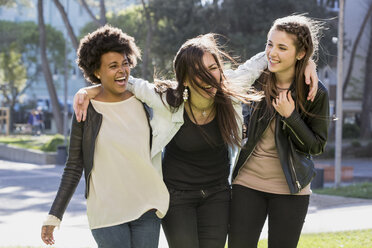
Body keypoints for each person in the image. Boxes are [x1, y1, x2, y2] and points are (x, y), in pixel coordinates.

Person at [73, 33, 318, 248]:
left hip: (217, 194)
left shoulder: (227, 88)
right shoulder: (169, 100)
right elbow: (132, 83)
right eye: (199, 72)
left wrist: (308, 62)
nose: (210, 77)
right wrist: (87, 90)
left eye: (213, 68)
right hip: (177, 196)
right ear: (185, 78)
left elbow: (262, 60)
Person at [41, 25, 169, 248]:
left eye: (125, 63)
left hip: (147, 207)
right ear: (97, 72)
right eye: (113, 66)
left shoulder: (144, 101)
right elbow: (73, 166)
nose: (122, 70)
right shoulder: (86, 109)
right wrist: (55, 215)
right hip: (107, 212)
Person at [228, 15, 330, 248]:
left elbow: (316, 146)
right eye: (269, 44)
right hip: (247, 184)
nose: (272, 52)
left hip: (291, 189)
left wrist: (291, 116)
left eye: (282, 47)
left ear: (301, 53)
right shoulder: (255, 82)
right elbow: (229, 84)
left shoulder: (315, 92)